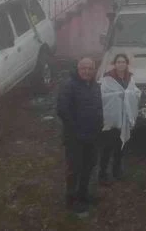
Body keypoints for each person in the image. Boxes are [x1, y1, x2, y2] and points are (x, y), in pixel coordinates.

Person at [57, 57, 103, 217]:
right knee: (74, 168)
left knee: (88, 166)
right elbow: (62, 110)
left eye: (90, 68)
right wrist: (76, 129)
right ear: (78, 69)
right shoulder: (69, 86)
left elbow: (98, 107)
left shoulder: (95, 86)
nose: (87, 71)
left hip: (92, 135)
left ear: (94, 70)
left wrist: (99, 125)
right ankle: (71, 200)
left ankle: (83, 194)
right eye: (84, 68)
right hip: (75, 137)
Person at [99, 53, 141, 185]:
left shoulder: (130, 77)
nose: (121, 64)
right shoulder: (107, 78)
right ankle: (102, 174)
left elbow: (136, 92)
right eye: (118, 62)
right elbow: (102, 96)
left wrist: (129, 94)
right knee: (107, 147)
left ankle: (116, 171)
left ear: (127, 64)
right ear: (114, 64)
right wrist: (117, 95)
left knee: (120, 147)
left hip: (124, 117)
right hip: (111, 118)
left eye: (123, 62)